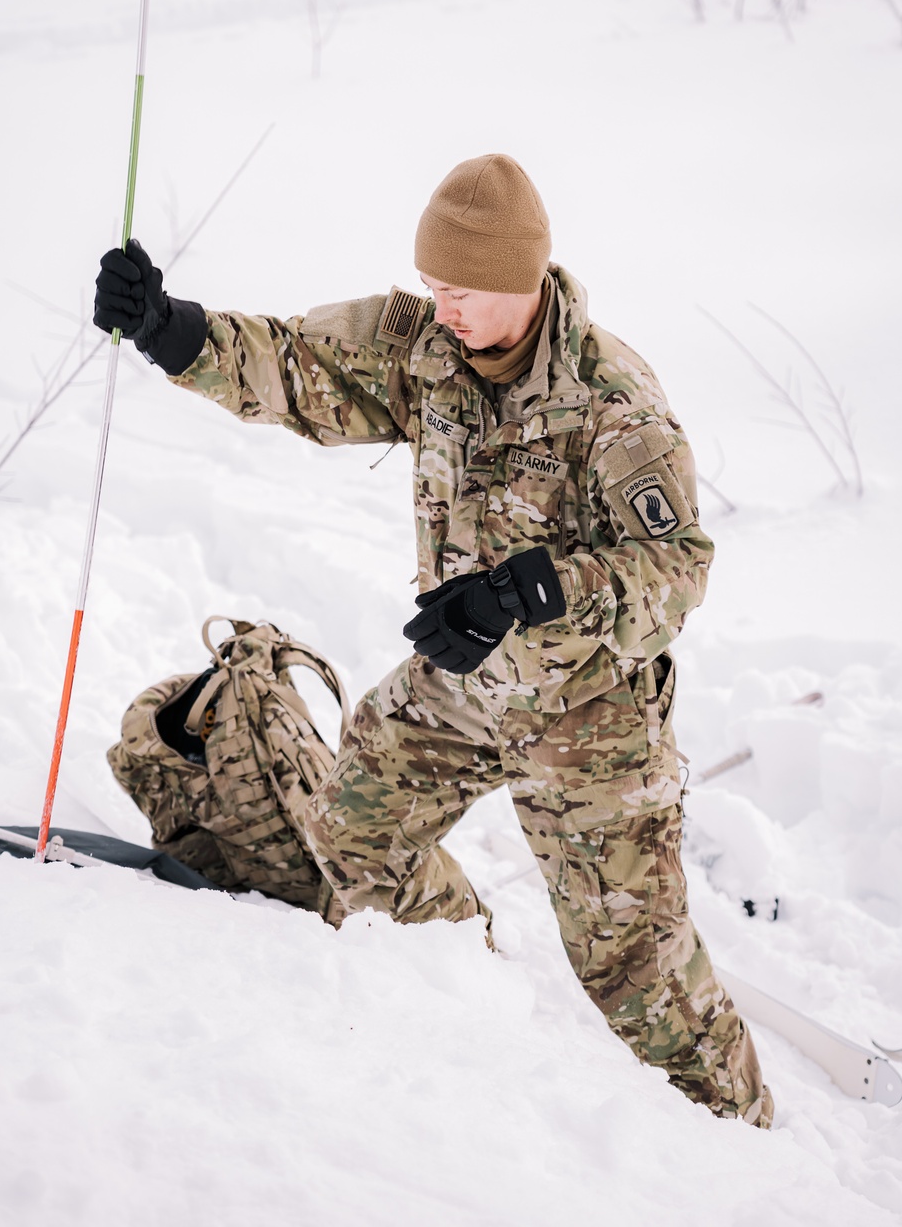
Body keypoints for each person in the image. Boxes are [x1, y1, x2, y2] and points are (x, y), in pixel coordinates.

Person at [94, 153, 773, 1128]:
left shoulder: (609, 400)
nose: (442, 307)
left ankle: (746, 1145)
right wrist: (169, 330)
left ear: (520, 281)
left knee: (635, 974)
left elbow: (672, 571)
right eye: (432, 287)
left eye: (461, 291)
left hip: (589, 718)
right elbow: (296, 363)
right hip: (460, 683)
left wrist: (528, 589)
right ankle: (457, 985)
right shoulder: (424, 349)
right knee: (352, 829)